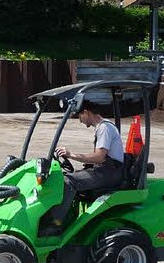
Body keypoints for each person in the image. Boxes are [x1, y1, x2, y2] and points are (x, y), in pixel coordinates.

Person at [45, 100, 125, 235]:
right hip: (105, 171)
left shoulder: (105, 128)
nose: (80, 121)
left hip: (109, 174)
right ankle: (66, 218)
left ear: (86, 112)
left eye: (79, 116)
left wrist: (71, 155)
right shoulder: (102, 128)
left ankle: (55, 224)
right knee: (62, 177)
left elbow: (99, 157)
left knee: (67, 182)